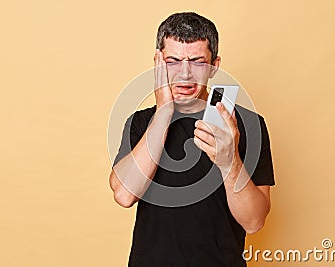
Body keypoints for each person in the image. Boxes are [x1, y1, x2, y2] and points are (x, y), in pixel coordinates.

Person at [109, 12, 275, 266]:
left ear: (215, 65)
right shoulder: (140, 123)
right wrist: (164, 110)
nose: (185, 74)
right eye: (173, 61)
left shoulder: (248, 124)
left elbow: (254, 222)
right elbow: (124, 195)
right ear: (158, 63)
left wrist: (229, 162)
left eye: (197, 62)